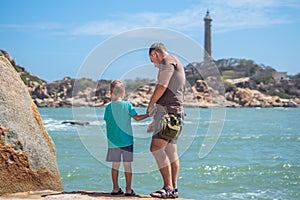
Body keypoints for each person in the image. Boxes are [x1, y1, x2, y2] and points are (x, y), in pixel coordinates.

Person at [147, 42, 186, 198]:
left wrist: (150, 104)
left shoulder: (166, 61)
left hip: (169, 114)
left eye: (152, 61)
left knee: (155, 148)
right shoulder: (176, 60)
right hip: (175, 113)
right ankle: (174, 190)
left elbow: (162, 86)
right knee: (171, 151)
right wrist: (155, 119)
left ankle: (168, 187)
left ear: (154, 54)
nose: (154, 65)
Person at [104, 80, 151, 196]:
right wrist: (148, 115)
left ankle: (115, 188)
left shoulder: (108, 108)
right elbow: (137, 118)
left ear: (110, 92)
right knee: (127, 165)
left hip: (113, 142)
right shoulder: (127, 105)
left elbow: (108, 123)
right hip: (127, 141)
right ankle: (129, 190)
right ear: (123, 93)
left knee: (115, 165)